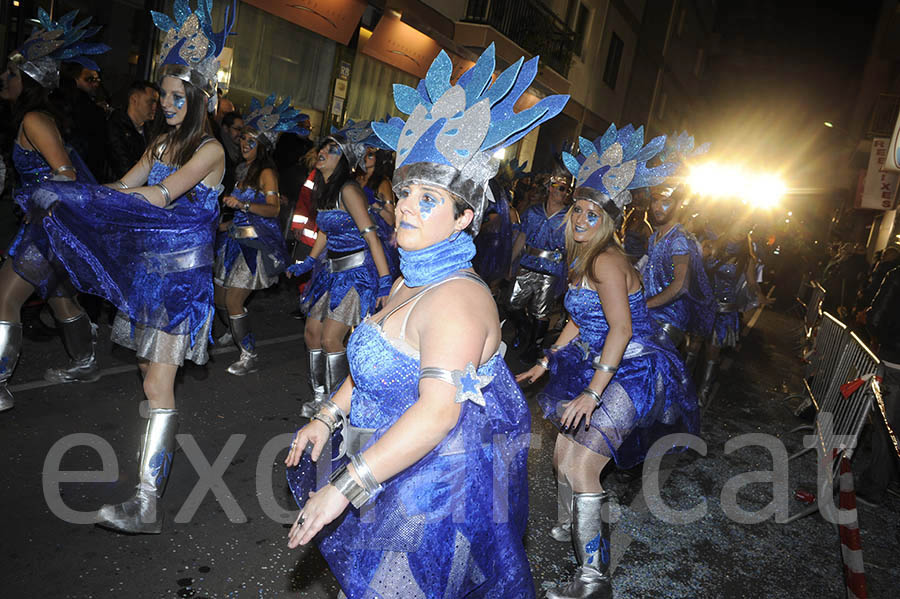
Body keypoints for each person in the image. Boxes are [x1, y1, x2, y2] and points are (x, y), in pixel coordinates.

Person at [284, 43, 568, 598]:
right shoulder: (406, 282)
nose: (406, 205)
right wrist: (325, 416)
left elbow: (438, 414)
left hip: (425, 499)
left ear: (466, 217)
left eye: (429, 197)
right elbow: (368, 366)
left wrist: (343, 486)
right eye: (405, 191)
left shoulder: (458, 302)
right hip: (379, 470)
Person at [23, 0, 234, 533]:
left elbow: (160, 197)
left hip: (180, 282)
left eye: (176, 96)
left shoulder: (209, 151)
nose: (165, 103)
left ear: (197, 99)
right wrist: (71, 198)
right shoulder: (160, 140)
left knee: (157, 388)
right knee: (146, 375)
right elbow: (122, 188)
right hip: (146, 274)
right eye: (162, 94)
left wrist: (89, 197)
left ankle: (146, 502)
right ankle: (153, 469)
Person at [516, 126, 699, 599]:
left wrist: (592, 393)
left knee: (580, 468)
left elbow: (620, 329)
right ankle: (579, 522)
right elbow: (580, 319)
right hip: (599, 363)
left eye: (591, 212)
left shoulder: (606, 262)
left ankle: (593, 578)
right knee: (561, 457)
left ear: (609, 219)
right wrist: (547, 358)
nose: (579, 217)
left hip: (631, 372)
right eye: (577, 207)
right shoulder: (582, 260)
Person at [0, 8, 109, 413]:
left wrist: (37, 207)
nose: (2, 80)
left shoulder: (33, 118)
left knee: (3, 299)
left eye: (8, 75)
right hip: (47, 224)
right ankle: (84, 362)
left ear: (24, 80)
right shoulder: (31, 118)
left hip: (46, 226)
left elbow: (64, 172)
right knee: (59, 298)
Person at [286, 122, 393, 418]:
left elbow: (371, 236)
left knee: (331, 338)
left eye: (332, 150)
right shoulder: (325, 188)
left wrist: (384, 281)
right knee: (311, 333)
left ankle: (336, 408)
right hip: (330, 271)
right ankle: (319, 395)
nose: (322, 152)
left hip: (356, 274)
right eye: (323, 147)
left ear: (344, 159)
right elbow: (325, 230)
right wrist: (309, 261)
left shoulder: (349, 190)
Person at [213, 94, 298, 375]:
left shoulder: (266, 173)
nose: (244, 143)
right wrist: (222, 222)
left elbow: (273, 210)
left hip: (253, 247)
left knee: (234, 300)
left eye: (251, 140)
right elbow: (240, 211)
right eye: (242, 138)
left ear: (262, 145)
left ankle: (248, 353)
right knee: (220, 297)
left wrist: (244, 204)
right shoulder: (242, 168)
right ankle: (231, 331)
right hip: (234, 241)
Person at [643, 132, 715, 350]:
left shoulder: (679, 240)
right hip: (651, 315)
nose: (657, 207)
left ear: (677, 204)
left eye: (665, 202)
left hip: (668, 320)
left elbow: (681, 285)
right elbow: (643, 270)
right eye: (655, 200)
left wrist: (645, 305)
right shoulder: (655, 236)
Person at [504, 164, 572, 360]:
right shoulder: (533, 212)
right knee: (512, 303)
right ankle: (523, 329)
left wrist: (570, 273)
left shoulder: (568, 217)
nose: (562, 192)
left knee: (540, 311)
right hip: (527, 263)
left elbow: (572, 248)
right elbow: (522, 238)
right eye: (559, 187)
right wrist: (510, 263)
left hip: (551, 269)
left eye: (566, 189)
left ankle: (535, 346)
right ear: (550, 187)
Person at [698, 225, 765, 403]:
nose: (739, 232)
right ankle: (681, 386)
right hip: (703, 305)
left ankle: (704, 390)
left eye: (744, 231)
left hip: (724, 310)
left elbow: (751, 281)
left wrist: (759, 294)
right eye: (738, 227)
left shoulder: (747, 258)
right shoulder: (713, 245)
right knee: (693, 346)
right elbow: (697, 268)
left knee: (713, 349)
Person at [859, 265, 900, 506]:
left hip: (895, 360)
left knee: (887, 426)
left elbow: (875, 319)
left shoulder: (896, 274)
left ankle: (875, 485)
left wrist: (880, 336)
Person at [356, 144, 399, 279]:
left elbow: (391, 219)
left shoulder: (383, 183)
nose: (365, 158)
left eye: (370, 155)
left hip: (375, 242)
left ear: (378, 159)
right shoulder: (355, 179)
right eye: (363, 154)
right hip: (353, 238)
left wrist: (373, 203)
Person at [106, 80, 158, 180]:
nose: (155, 107)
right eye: (150, 101)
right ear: (134, 100)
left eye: (156, 102)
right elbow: (123, 167)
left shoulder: (150, 130)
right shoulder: (115, 127)